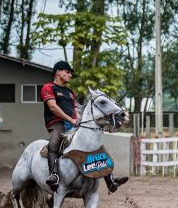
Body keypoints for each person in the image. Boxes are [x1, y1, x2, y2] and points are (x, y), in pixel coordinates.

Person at [41, 61, 128, 193]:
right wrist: (71, 119)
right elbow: (53, 107)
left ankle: (110, 180)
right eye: (67, 72)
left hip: (73, 123)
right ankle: (54, 175)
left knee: (95, 145)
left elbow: (75, 110)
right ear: (58, 72)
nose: (70, 75)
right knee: (54, 141)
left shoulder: (70, 92)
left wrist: (79, 120)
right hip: (57, 123)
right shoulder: (48, 87)